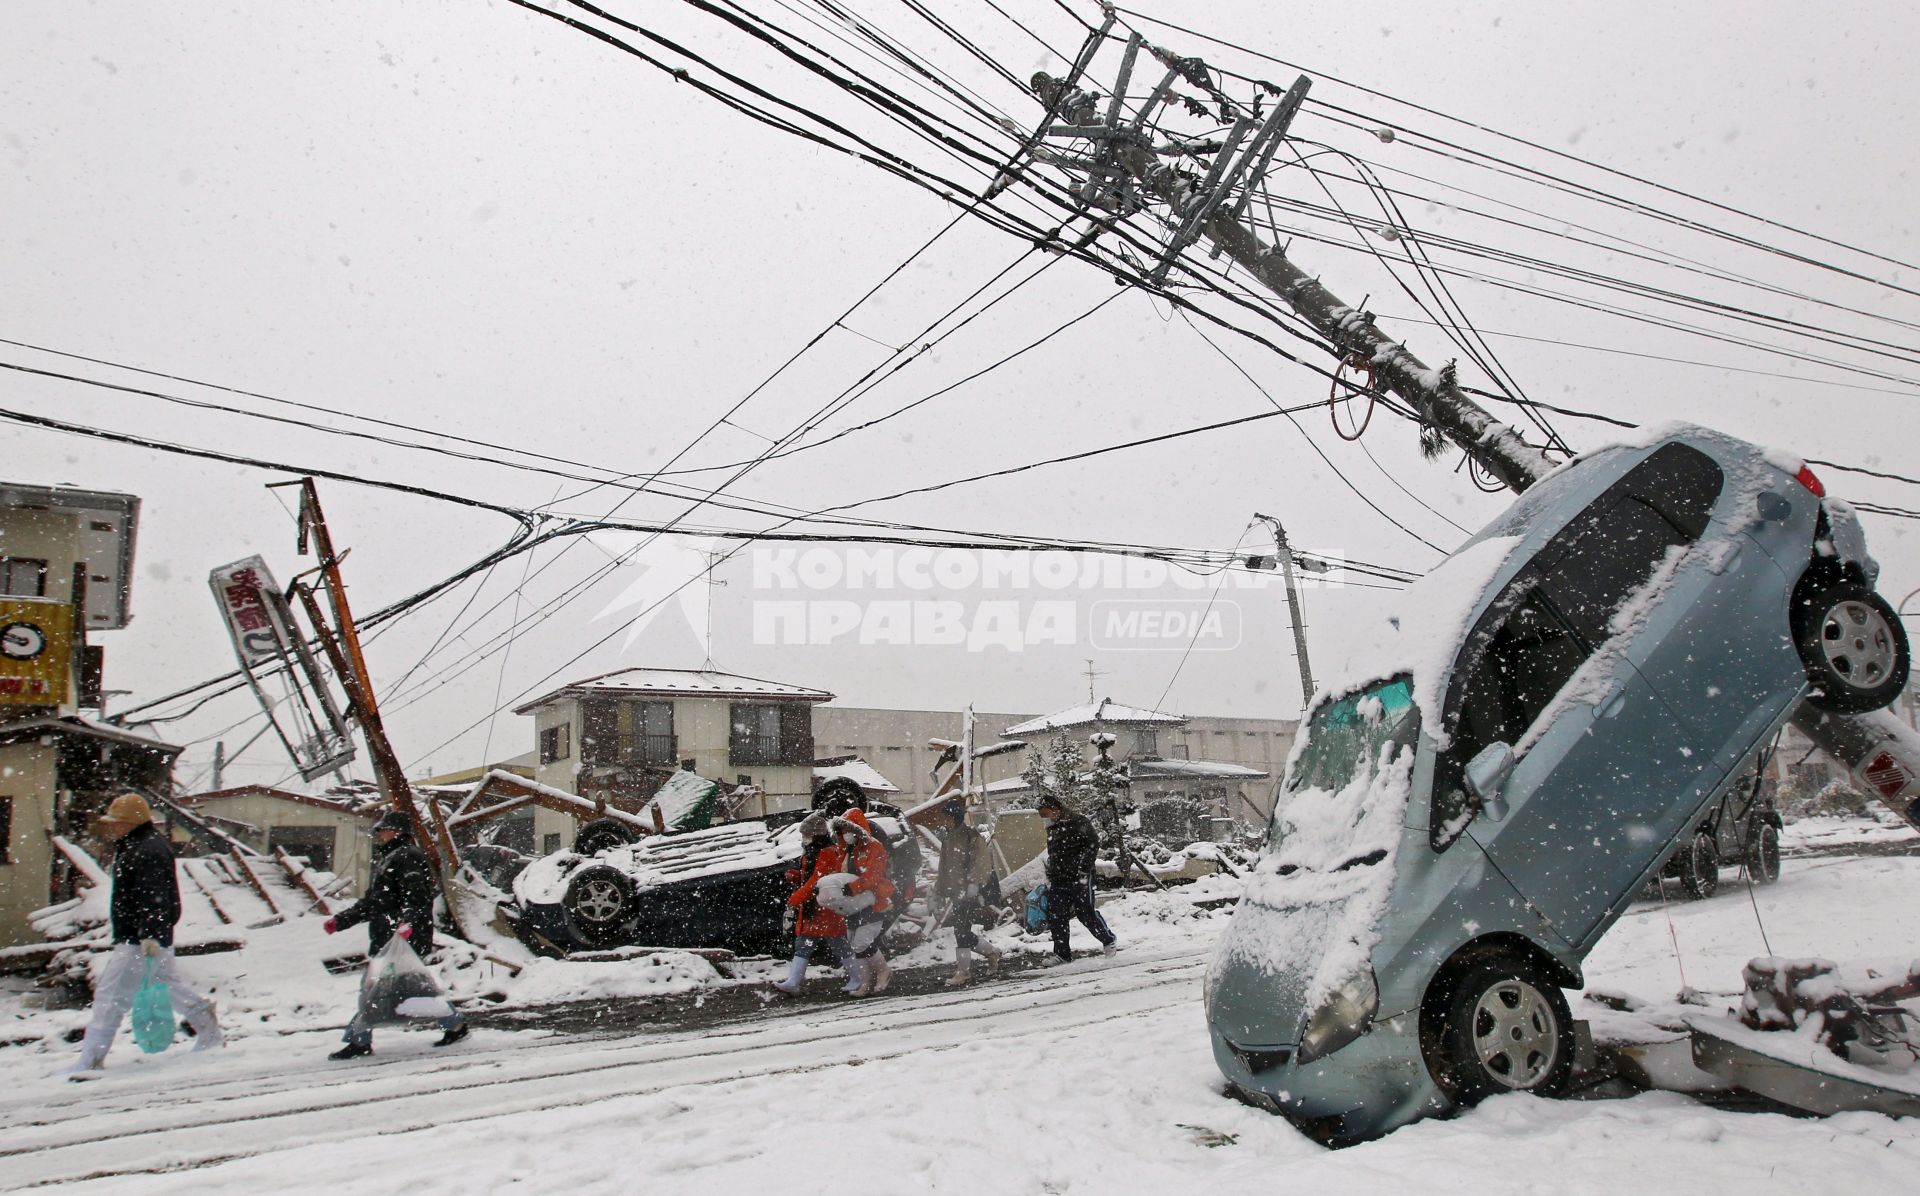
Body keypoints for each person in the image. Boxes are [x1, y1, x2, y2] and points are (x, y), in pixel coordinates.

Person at [66, 793, 224, 1075]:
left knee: (109, 995)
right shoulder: (140, 845)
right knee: (167, 984)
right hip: (147, 936)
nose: (113, 827)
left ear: (132, 822)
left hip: (138, 939)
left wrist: (149, 934)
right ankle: (208, 1027)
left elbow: (156, 897)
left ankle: (90, 1060)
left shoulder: (146, 849)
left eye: (118, 822)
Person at [323, 809, 466, 1059]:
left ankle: (359, 1041)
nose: (379, 833)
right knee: (414, 987)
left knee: (373, 987)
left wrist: (408, 923)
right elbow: (375, 902)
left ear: (398, 832)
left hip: (401, 937)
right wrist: (342, 920)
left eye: (383, 829)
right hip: (391, 935)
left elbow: (417, 895)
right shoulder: (390, 859)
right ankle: (454, 1025)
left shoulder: (407, 857)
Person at [774, 811, 854, 995]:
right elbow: (811, 878)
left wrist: (797, 897)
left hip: (823, 909)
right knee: (809, 944)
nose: (804, 839)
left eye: (807, 835)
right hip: (818, 909)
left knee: (835, 944)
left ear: (816, 835)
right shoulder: (816, 852)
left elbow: (816, 882)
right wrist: (796, 877)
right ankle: (794, 981)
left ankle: (858, 977)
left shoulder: (825, 853)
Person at [930, 797, 1002, 987]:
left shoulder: (971, 836)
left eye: (946, 817)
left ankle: (964, 971)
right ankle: (991, 952)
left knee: (961, 930)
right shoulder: (948, 839)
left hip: (969, 893)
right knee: (962, 931)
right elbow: (944, 868)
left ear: (955, 817)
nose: (944, 821)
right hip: (957, 893)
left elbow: (980, 862)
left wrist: (974, 885)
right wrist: (940, 890)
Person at [1036, 795, 1116, 965]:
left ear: (1056, 810)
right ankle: (1062, 954)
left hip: (1080, 877)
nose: (1044, 818)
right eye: (1041, 815)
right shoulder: (1053, 828)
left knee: (1085, 912)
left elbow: (1093, 842)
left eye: (1046, 814)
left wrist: (1083, 867)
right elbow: (1054, 853)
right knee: (1057, 916)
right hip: (1059, 879)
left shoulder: (1078, 821)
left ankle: (1108, 940)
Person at [830, 809, 895, 997]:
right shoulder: (847, 851)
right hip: (852, 904)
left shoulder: (874, 848)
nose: (845, 835)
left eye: (847, 830)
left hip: (872, 901)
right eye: (842, 831)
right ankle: (866, 982)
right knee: (853, 941)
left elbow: (873, 875)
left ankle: (883, 971)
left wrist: (854, 887)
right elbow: (839, 874)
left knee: (862, 941)